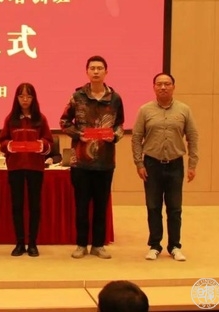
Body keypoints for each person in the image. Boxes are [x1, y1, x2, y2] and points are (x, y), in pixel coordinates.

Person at [60, 55, 124, 259]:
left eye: (100, 68)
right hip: (81, 162)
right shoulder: (77, 97)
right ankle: (81, 244)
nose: (96, 71)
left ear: (106, 72)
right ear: (87, 72)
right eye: (92, 68)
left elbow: (120, 125)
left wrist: (114, 136)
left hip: (105, 162)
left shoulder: (115, 98)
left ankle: (98, 245)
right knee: (81, 205)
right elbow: (64, 122)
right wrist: (79, 135)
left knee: (101, 205)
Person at [131, 73, 198, 262]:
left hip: (175, 164)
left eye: (167, 84)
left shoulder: (184, 110)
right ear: (154, 87)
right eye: (159, 84)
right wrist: (139, 163)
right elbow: (136, 138)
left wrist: (192, 164)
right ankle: (154, 245)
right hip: (151, 164)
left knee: (174, 208)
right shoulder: (145, 110)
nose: (163, 87)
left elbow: (192, 137)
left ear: (173, 87)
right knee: (153, 207)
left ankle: (175, 246)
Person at [0, 83, 53, 257]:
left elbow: (49, 141)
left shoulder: (41, 119)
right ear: (16, 98)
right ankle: (20, 243)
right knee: (17, 206)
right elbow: (2, 141)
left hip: (35, 168)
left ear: (33, 98)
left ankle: (33, 243)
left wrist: (42, 144)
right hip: (15, 167)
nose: (25, 100)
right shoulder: (10, 119)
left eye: (28, 96)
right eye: (21, 96)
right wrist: (9, 145)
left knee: (34, 206)